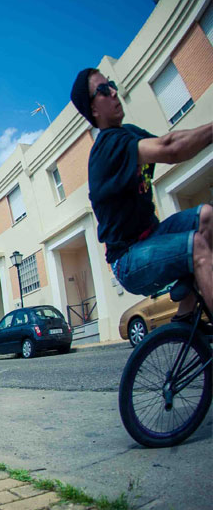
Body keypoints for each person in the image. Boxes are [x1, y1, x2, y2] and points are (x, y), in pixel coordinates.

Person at [70, 67, 212, 324]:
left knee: (207, 217)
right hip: (128, 260)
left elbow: (174, 143)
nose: (113, 92)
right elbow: (169, 149)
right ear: (93, 110)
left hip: (153, 236)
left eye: (111, 84)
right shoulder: (107, 147)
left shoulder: (130, 133)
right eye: (103, 90)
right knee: (197, 246)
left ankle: (187, 313)